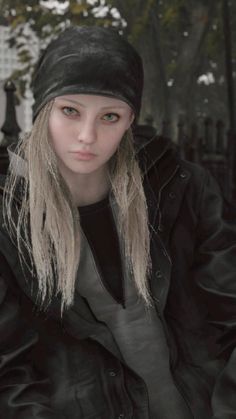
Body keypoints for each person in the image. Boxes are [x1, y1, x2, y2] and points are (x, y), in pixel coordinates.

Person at [0, 25, 235, 419]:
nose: (87, 136)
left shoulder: (180, 190)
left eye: (110, 116)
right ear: (43, 111)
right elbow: (9, 378)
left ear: (129, 121)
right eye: (70, 111)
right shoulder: (9, 219)